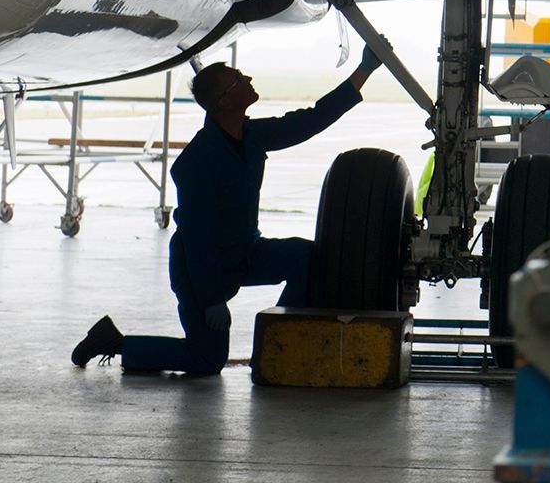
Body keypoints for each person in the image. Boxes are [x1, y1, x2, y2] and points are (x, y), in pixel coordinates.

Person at [70, 55, 381, 375]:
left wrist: (364, 70)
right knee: (206, 361)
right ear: (226, 101)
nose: (248, 79)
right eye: (239, 79)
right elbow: (197, 239)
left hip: (245, 252)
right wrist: (210, 298)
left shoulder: (251, 135)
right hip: (201, 270)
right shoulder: (196, 162)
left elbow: (310, 120)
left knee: (305, 257)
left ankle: (279, 342)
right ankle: (114, 342)